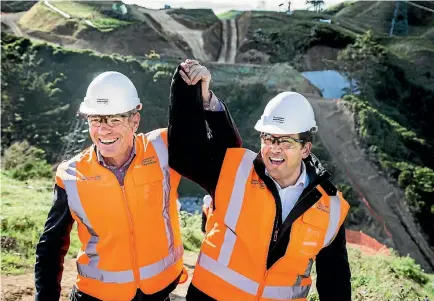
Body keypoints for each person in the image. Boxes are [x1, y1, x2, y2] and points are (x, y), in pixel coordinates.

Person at [34, 67, 241, 301]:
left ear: (135, 121)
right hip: (96, 297)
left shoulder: (163, 148)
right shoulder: (70, 174)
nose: (104, 129)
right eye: (96, 120)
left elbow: (228, 159)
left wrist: (205, 100)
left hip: (158, 294)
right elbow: (50, 249)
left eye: (115, 119)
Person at [169, 61, 351, 301]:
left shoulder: (331, 209)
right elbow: (184, 153)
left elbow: (335, 283)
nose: (274, 150)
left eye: (286, 141)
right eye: (268, 138)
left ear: (306, 148)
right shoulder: (234, 172)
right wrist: (190, 93)